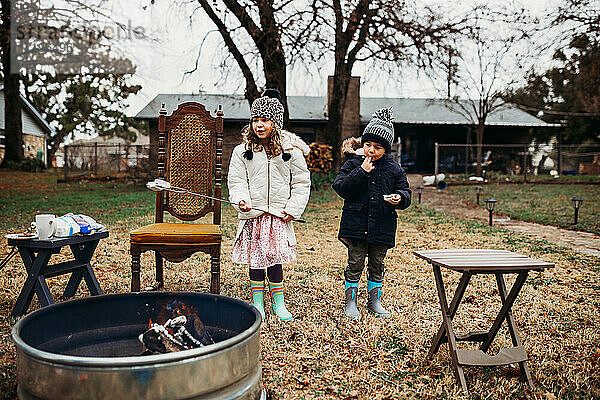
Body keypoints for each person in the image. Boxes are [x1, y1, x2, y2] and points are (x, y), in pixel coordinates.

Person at [227, 89, 311, 322]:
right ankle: (257, 303)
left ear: (276, 123)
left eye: (265, 120)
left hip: (277, 215)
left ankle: (279, 302)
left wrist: (293, 209)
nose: (259, 125)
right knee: (256, 258)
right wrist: (241, 200)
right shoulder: (242, 152)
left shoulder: (290, 152)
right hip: (253, 214)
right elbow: (236, 180)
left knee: (274, 258)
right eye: (255, 120)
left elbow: (302, 182)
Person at [332, 107, 411, 319]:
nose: (371, 150)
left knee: (377, 264)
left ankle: (374, 301)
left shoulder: (394, 169)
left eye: (378, 147)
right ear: (363, 144)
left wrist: (400, 198)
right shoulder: (353, 163)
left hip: (382, 225)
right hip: (356, 225)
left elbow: (406, 192)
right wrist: (362, 172)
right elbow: (340, 187)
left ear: (386, 149)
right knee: (355, 262)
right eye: (368, 145)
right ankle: (351, 302)